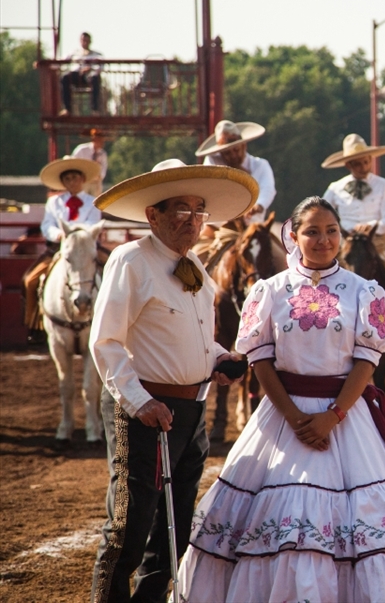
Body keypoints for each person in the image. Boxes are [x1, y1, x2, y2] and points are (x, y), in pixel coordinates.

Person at [175, 196, 385, 602]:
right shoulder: (268, 291)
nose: (323, 240)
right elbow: (262, 361)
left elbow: (367, 361)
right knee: (283, 528)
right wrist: (294, 418)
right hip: (281, 420)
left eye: (331, 231)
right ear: (293, 236)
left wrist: (333, 415)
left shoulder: (365, 291)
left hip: (347, 420)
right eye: (312, 231)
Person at [88, 159, 256, 602]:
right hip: (144, 412)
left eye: (199, 210)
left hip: (189, 412)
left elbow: (196, 337)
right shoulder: (131, 260)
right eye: (180, 208)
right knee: (129, 527)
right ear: (153, 215)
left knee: (173, 532)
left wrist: (224, 358)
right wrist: (139, 402)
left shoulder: (196, 266)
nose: (192, 219)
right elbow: (105, 342)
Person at [321, 133, 385, 356]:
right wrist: (341, 229)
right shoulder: (335, 188)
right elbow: (323, 215)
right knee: (316, 277)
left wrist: (372, 226)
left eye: (366, 161)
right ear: (348, 164)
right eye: (357, 163)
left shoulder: (384, 185)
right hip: (344, 242)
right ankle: (314, 325)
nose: (363, 166)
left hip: (378, 241)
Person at [21, 156, 102, 344]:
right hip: (59, 248)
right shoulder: (54, 203)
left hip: (87, 247)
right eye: (68, 178)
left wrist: (76, 233)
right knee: (30, 280)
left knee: (112, 275)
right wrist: (58, 234)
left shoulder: (93, 202)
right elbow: (47, 225)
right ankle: (35, 324)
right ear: (63, 182)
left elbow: (93, 224)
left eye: (75, 177)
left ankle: (111, 322)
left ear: (83, 179)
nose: (72, 182)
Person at [196, 119, 276, 224]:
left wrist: (259, 205)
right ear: (220, 153)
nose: (233, 155)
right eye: (227, 153)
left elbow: (268, 189)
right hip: (220, 224)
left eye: (236, 150)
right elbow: (211, 187)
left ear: (244, 145)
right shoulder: (212, 161)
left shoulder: (261, 165)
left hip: (252, 224)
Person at [60, 32, 104, 115]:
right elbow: (61, 61)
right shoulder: (74, 53)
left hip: (89, 76)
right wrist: (44, 63)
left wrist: (90, 68)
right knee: (65, 78)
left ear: (90, 41)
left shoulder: (96, 55)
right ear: (80, 41)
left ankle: (95, 110)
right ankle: (67, 109)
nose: (85, 42)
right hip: (77, 76)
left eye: (86, 40)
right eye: (83, 40)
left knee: (96, 79)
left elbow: (101, 66)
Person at [71, 128, 109, 196]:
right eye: (99, 140)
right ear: (94, 139)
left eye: (102, 141)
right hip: (83, 181)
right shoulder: (82, 150)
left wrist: (100, 177)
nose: (101, 143)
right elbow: (73, 163)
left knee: (95, 201)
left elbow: (104, 167)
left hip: (96, 182)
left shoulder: (103, 154)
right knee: (82, 199)